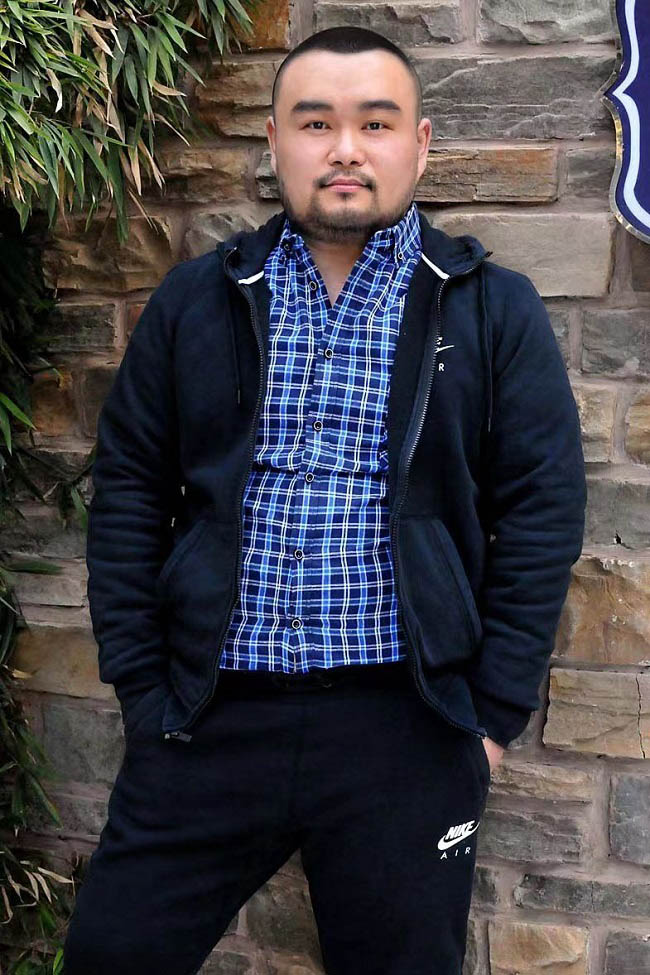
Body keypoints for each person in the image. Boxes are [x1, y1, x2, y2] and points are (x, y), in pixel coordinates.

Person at [63, 25, 587, 975]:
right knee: (111, 953)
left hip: (406, 725)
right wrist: (143, 691)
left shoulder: (489, 307)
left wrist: (486, 724)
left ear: (418, 145)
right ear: (275, 142)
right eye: (316, 123)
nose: (345, 148)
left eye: (374, 123)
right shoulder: (197, 299)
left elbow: (542, 510)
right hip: (207, 718)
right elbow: (131, 487)